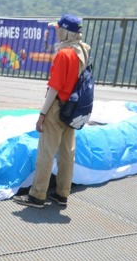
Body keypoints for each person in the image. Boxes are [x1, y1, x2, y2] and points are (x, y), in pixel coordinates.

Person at [14, 14, 91, 208]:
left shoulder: (64, 54)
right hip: (73, 108)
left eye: (59, 29)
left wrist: (42, 115)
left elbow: (55, 88)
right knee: (67, 153)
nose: (57, 32)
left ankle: (37, 195)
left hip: (57, 107)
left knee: (46, 153)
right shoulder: (83, 50)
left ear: (66, 32)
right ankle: (62, 193)